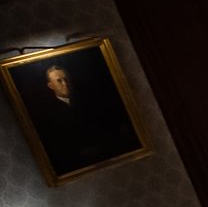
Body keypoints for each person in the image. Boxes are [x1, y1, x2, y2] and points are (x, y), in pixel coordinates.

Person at [15, 50, 142, 178]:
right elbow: (55, 146)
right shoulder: (48, 114)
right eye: (59, 81)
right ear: (50, 85)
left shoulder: (90, 101)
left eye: (66, 79)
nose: (65, 84)